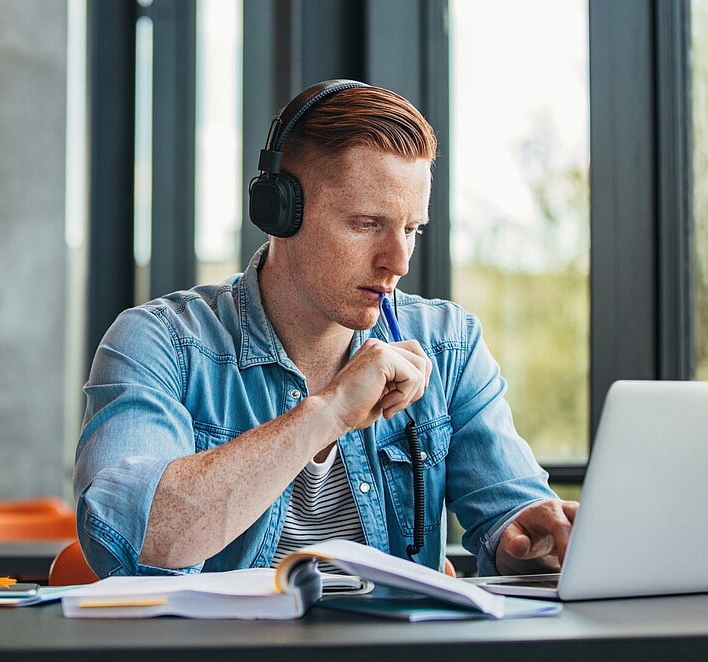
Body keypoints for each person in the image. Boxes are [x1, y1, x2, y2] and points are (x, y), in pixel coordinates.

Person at [74, 79, 577, 579]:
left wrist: (530, 538)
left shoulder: (449, 344)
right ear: (279, 212)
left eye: (411, 229)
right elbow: (136, 537)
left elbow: (512, 517)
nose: (398, 261)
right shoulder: (160, 342)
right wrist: (329, 411)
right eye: (366, 224)